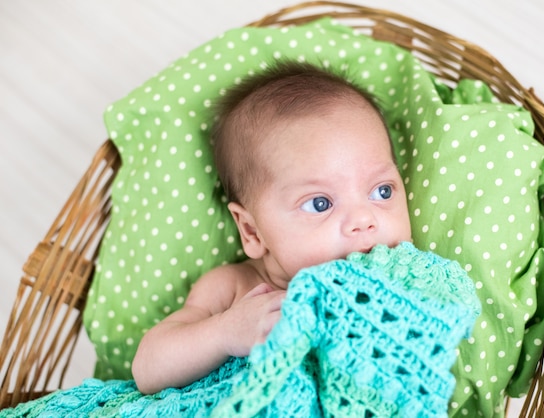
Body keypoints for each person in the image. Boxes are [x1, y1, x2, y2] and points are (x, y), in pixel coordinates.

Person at [131, 60, 413, 394]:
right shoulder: (235, 288)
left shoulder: (404, 279)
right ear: (251, 231)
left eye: (382, 191)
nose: (363, 220)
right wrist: (224, 332)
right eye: (320, 203)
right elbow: (147, 371)